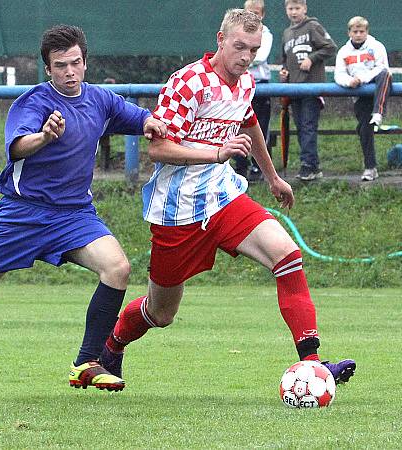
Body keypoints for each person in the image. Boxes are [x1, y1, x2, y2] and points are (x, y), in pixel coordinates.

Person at [98, 9, 356, 388]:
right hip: (177, 209)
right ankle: (112, 347)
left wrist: (272, 177)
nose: (246, 57)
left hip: (223, 197)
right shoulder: (188, 82)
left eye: (253, 49)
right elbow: (158, 150)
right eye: (239, 47)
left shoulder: (245, 82)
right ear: (220, 40)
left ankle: (314, 364)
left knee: (287, 256)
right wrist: (215, 153)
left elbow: (248, 121)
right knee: (161, 312)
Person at [0, 25, 166, 392]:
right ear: (48, 69)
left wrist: (152, 123)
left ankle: (87, 362)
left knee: (117, 268)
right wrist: (45, 136)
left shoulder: (100, 99)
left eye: (76, 63)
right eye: (61, 65)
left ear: (85, 62)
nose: (70, 71)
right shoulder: (34, 102)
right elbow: (18, 146)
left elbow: (136, 116)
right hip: (22, 215)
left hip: (74, 216)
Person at [279, 0, 337, 181]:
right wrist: (284, 72)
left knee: (308, 126)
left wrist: (312, 58)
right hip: (294, 88)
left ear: (304, 8)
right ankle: (310, 163)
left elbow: (330, 47)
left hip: (312, 86)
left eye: (297, 8)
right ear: (286, 10)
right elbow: (285, 59)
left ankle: (309, 165)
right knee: (300, 126)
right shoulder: (286, 33)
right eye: (290, 9)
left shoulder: (313, 26)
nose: (294, 12)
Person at [334, 16, 392, 182]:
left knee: (386, 75)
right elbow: (339, 74)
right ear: (349, 33)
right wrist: (350, 81)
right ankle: (370, 167)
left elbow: (382, 68)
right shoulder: (344, 52)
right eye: (355, 31)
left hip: (376, 87)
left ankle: (378, 113)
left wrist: (363, 78)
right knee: (365, 129)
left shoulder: (376, 46)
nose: (358, 34)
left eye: (362, 31)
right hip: (359, 94)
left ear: (367, 32)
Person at [234, 0, 273, 182]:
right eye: (249, 12)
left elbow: (261, 56)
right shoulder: (235, 32)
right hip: (239, 84)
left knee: (260, 127)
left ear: (262, 15)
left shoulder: (266, 34)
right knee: (236, 126)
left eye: (256, 13)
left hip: (260, 86)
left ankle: (259, 168)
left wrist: (241, 52)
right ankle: (240, 165)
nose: (253, 16)